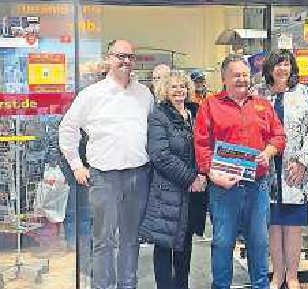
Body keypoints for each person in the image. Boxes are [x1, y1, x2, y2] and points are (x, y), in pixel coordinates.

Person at [59, 39, 153, 289]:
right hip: (104, 178)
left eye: (130, 57)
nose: (125, 61)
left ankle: (127, 285)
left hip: (138, 176)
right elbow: (68, 129)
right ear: (109, 58)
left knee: (131, 239)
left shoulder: (144, 94)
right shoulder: (92, 94)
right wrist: (77, 165)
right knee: (103, 240)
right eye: (120, 56)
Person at [194, 54, 286, 289]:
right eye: (236, 75)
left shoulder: (262, 104)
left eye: (245, 75)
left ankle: (260, 286)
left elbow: (279, 135)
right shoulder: (210, 105)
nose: (242, 80)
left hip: (258, 186)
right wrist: (212, 174)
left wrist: (269, 151)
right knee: (223, 243)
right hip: (223, 188)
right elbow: (202, 144)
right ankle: (221, 286)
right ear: (224, 78)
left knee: (258, 242)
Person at [251, 49, 308, 289]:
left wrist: (302, 161)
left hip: (293, 167)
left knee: (292, 224)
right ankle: (277, 274)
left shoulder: (304, 93)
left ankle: (293, 276)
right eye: (277, 65)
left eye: (286, 64)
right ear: (268, 69)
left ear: (292, 67)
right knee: (273, 224)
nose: (282, 69)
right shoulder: (258, 94)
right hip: (265, 167)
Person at [139, 70, 208, 289]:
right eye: (173, 87)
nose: (179, 90)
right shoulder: (159, 115)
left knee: (185, 246)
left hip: (192, 193)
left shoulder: (195, 113)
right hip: (167, 191)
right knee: (164, 245)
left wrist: (203, 175)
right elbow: (160, 155)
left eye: (183, 86)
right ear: (164, 91)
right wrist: (191, 179)